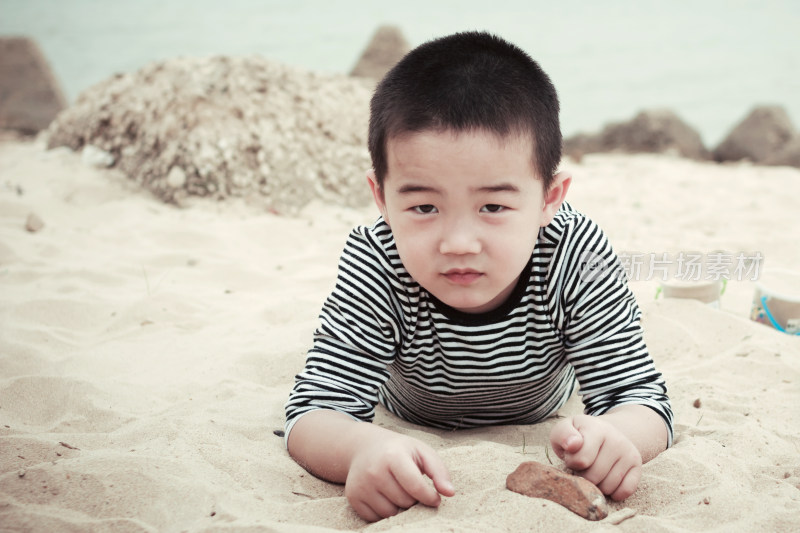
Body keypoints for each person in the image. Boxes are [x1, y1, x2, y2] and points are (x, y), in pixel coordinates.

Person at [284, 31, 672, 522]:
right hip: (410, 409)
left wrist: (619, 438)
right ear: (381, 197)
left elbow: (641, 396)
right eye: (424, 206)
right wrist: (363, 447)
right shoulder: (376, 256)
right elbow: (314, 410)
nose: (458, 242)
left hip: (543, 403)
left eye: (493, 206)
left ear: (548, 199)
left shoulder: (575, 251)